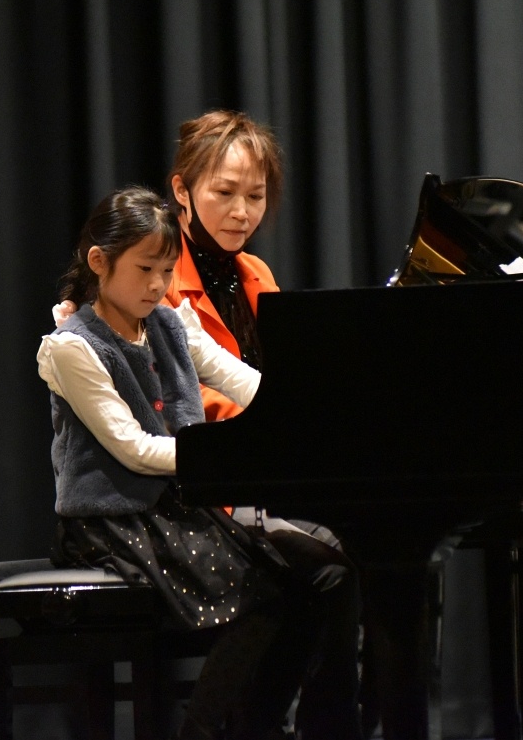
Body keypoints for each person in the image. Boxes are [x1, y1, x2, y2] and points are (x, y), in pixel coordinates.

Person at [37, 186, 355, 740]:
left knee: (325, 577)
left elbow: (241, 380)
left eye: (166, 270)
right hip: (114, 522)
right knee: (264, 593)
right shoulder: (71, 347)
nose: (157, 284)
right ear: (100, 262)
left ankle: (259, 727)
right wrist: (227, 453)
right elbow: (133, 447)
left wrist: (306, 410)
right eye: (145, 269)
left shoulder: (170, 323)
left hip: (178, 510)